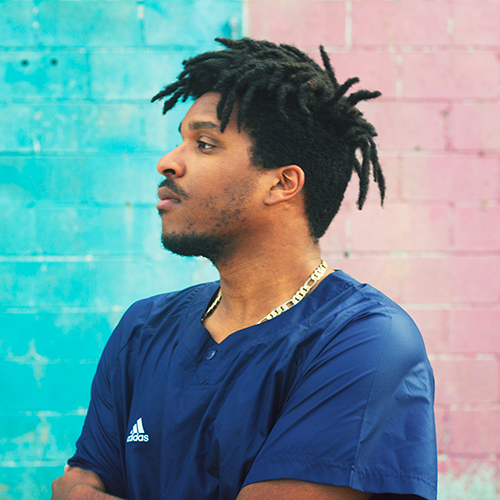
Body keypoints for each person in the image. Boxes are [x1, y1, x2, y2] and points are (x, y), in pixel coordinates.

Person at [51, 38, 437, 500]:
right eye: (181, 140)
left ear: (281, 183)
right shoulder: (144, 327)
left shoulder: (364, 341)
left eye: (205, 144)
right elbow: (79, 479)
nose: (168, 162)